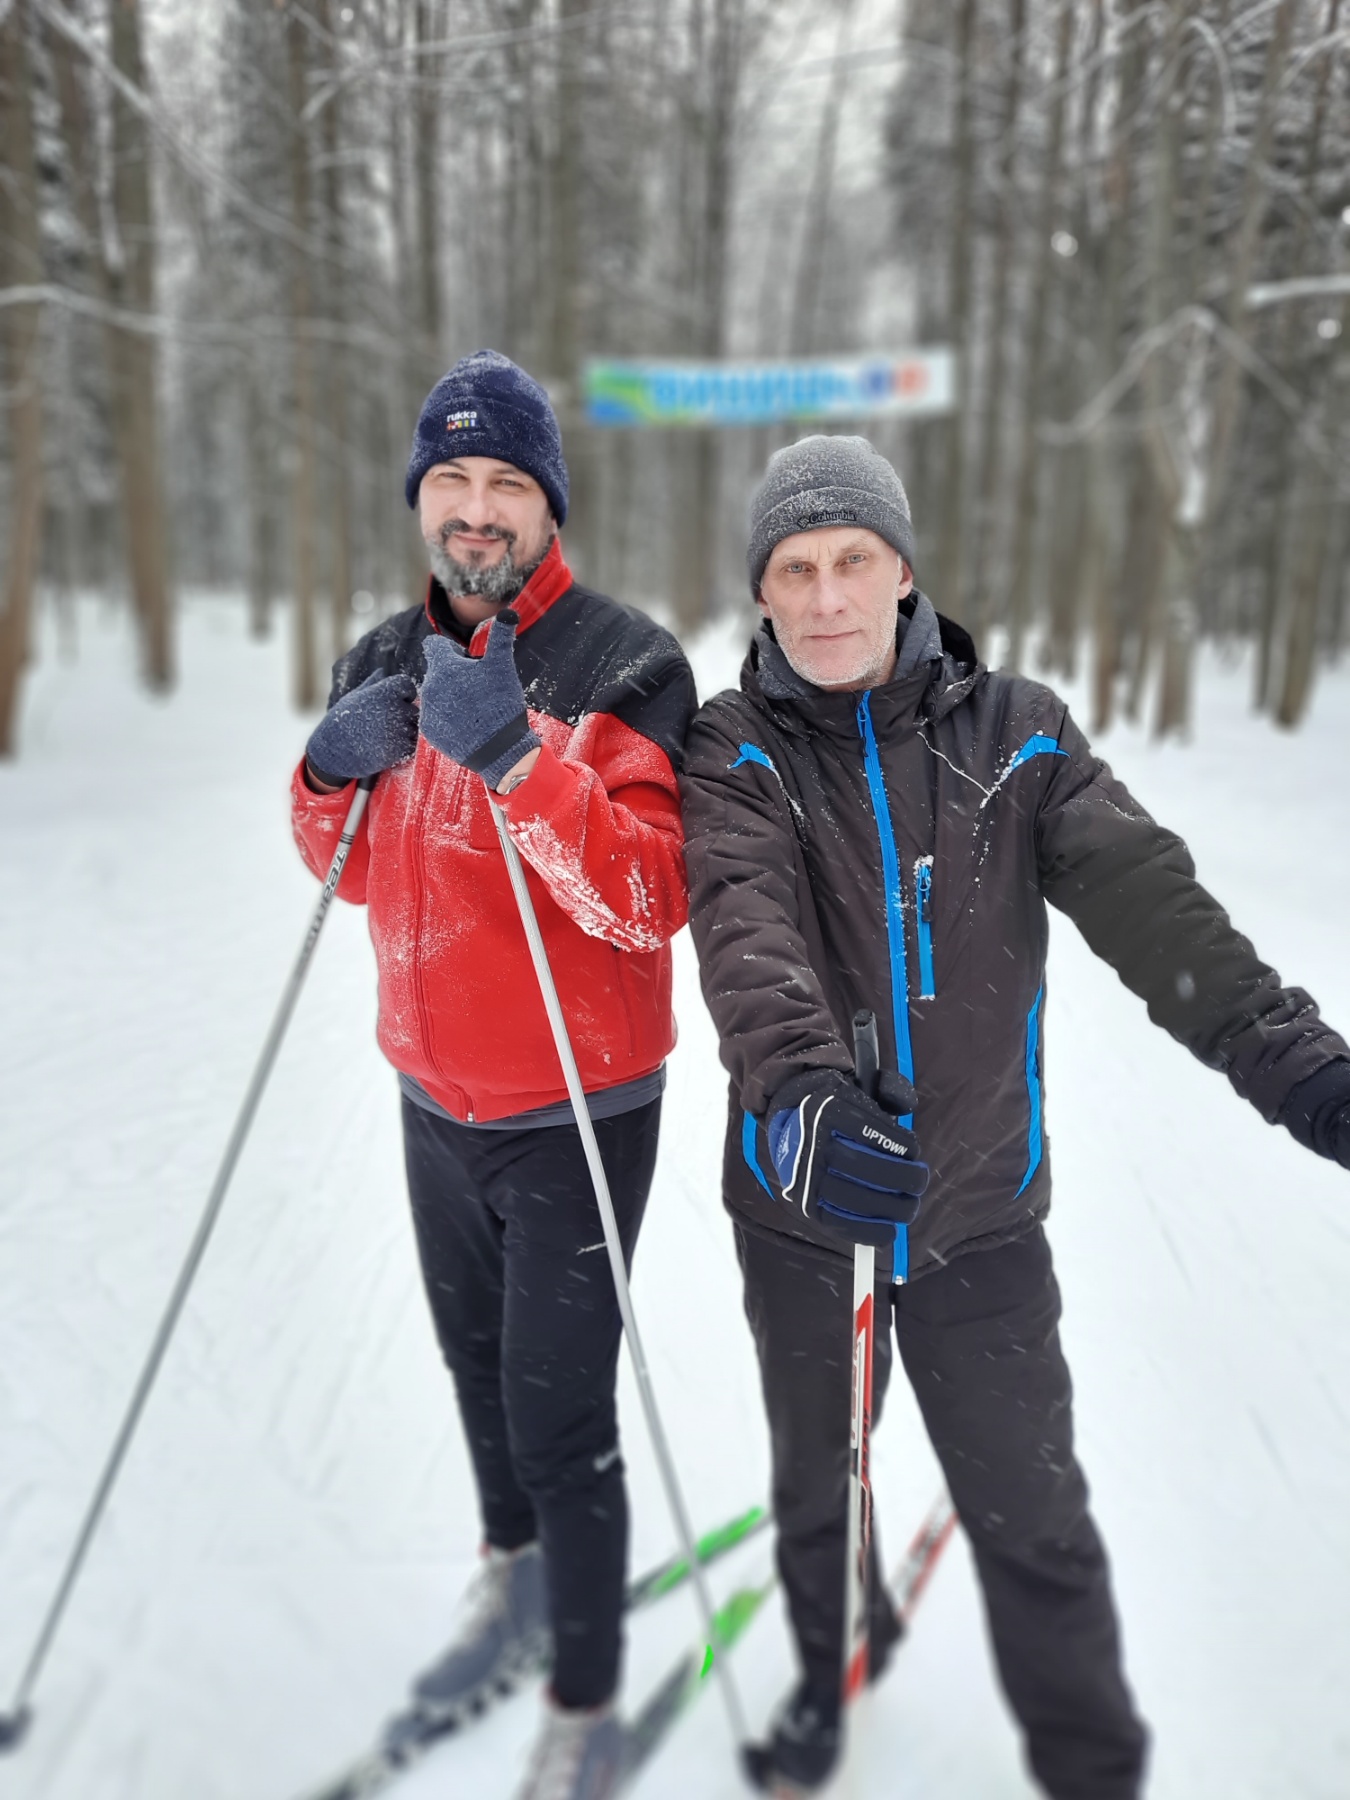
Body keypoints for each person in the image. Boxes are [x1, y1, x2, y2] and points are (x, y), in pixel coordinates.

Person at [680, 433, 1350, 1799]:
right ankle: (828, 1675)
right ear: (759, 593)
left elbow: (1161, 917)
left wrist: (1299, 1066)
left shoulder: (1016, 735)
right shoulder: (730, 746)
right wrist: (801, 1099)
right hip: (807, 1213)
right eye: (791, 571)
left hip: (981, 1217)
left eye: (848, 561)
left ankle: (1091, 1766)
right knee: (822, 1494)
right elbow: (743, 931)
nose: (822, 599)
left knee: (1034, 1517)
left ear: (902, 568)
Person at [291, 350, 695, 1800]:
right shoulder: (379, 658)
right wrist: (329, 774)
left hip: (576, 1113)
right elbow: (335, 869)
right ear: (422, 501)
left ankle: (582, 1701)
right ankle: (512, 1580)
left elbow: (651, 897)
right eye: (450, 482)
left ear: (546, 504)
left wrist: (521, 764)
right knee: (477, 1381)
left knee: (560, 1415)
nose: (474, 511)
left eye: (504, 484)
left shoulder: (625, 662)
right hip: (429, 1100)